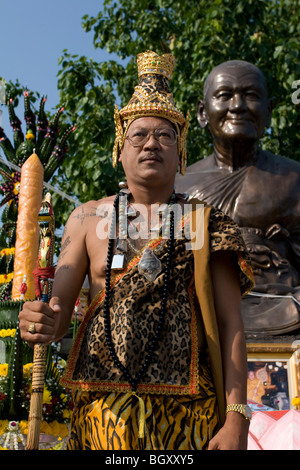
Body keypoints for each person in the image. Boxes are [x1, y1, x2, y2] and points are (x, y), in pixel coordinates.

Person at [19, 51, 254, 450]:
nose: (151, 145)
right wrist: (39, 320)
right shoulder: (86, 219)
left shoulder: (204, 222)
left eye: (165, 136)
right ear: (120, 149)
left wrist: (237, 419)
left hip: (187, 417)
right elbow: (58, 316)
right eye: (139, 135)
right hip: (101, 415)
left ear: (179, 151)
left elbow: (231, 323)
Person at [175, 60, 300, 336]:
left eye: (251, 96)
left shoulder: (294, 177)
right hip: (201, 309)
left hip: (284, 304)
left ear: (268, 111)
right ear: (202, 112)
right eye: (224, 95)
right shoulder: (177, 186)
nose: (238, 105)